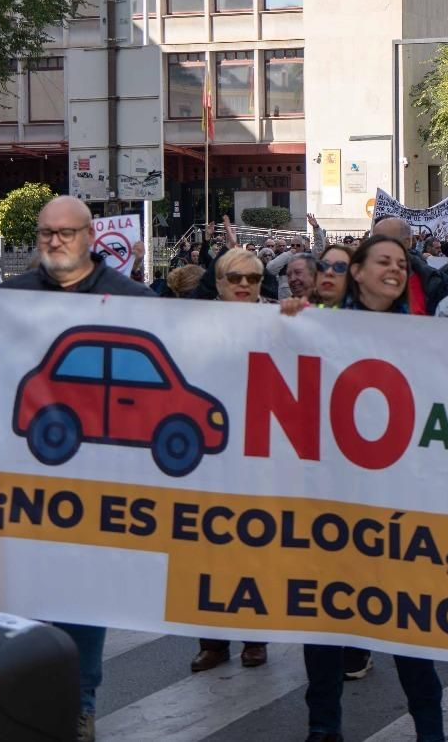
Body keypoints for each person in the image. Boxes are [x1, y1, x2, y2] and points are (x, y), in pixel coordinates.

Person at [0, 195, 156, 742]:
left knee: (83, 595)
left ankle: (80, 704)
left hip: (104, 477)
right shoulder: (11, 297)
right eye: (45, 234)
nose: (54, 242)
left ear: (90, 236)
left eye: (65, 233)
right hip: (24, 475)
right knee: (27, 591)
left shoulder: (133, 298)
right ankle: (29, 703)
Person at [301, 233, 443, 742]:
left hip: (397, 508)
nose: (395, 269)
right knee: (324, 623)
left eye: (402, 264)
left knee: (409, 629)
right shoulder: (318, 326)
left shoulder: (422, 334)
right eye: (382, 261)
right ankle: (323, 728)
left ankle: (430, 730)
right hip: (332, 506)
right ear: (355, 271)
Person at [191, 248, 270, 673]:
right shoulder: (195, 324)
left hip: (260, 456)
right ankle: (213, 641)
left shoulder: (284, 320)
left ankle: (255, 639)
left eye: (253, 279)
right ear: (218, 282)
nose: (243, 284)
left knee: (252, 551)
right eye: (234, 277)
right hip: (208, 455)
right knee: (207, 553)